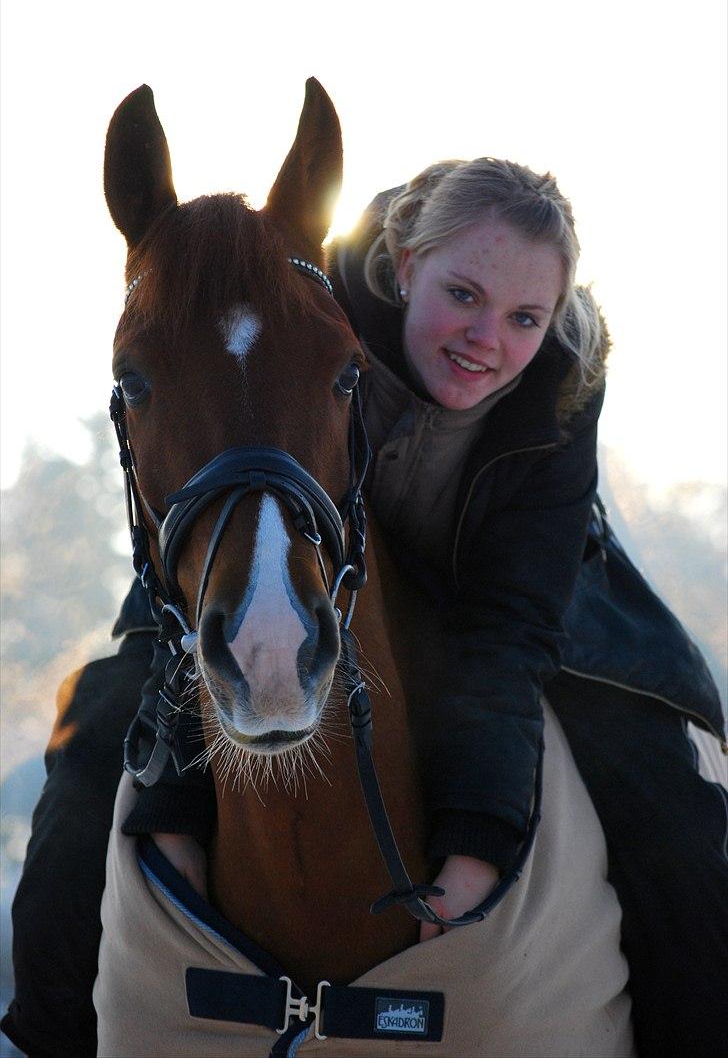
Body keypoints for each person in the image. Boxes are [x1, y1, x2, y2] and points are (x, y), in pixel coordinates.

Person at [3, 157, 726, 1058]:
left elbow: (506, 629)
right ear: (401, 262)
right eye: (462, 293)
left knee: (678, 820)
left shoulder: (560, 387)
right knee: (84, 755)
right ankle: (45, 1033)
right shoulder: (314, 296)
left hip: (516, 600)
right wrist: (173, 802)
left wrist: (474, 846)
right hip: (278, 552)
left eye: (524, 318)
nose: (486, 338)